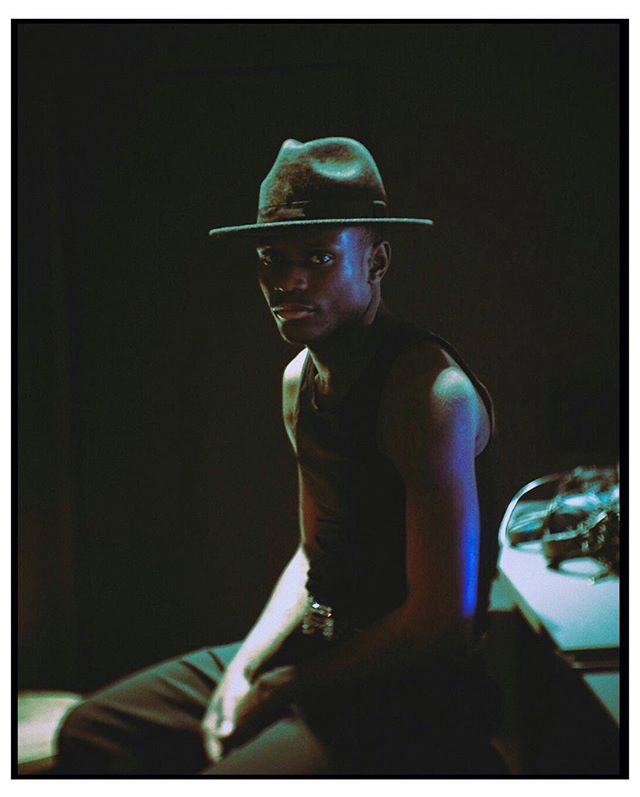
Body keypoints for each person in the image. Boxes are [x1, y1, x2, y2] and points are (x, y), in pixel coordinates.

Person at [54, 137, 503, 776]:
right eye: (273, 257)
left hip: (409, 689)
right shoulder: (300, 380)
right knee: (94, 733)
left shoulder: (428, 392)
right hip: (318, 648)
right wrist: (243, 672)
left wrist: (283, 688)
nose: (289, 280)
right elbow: (311, 555)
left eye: (319, 258)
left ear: (376, 261)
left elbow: (440, 624)